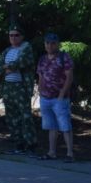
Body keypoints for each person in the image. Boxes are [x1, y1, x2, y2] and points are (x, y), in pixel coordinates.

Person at [0, 24, 37, 154]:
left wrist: (8, 67)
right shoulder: (7, 51)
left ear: (22, 37)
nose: (13, 37)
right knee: (12, 117)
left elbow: (21, 63)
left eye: (16, 35)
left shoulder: (26, 48)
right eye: (11, 35)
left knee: (25, 117)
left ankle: (30, 145)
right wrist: (7, 67)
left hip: (21, 87)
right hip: (8, 87)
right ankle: (19, 145)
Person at [35, 33, 75, 161]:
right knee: (51, 126)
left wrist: (62, 93)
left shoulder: (64, 57)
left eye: (53, 43)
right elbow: (40, 76)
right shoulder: (42, 59)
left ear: (57, 44)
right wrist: (40, 91)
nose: (50, 45)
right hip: (45, 98)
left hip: (60, 98)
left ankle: (70, 154)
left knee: (65, 126)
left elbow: (69, 77)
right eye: (47, 43)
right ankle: (51, 152)